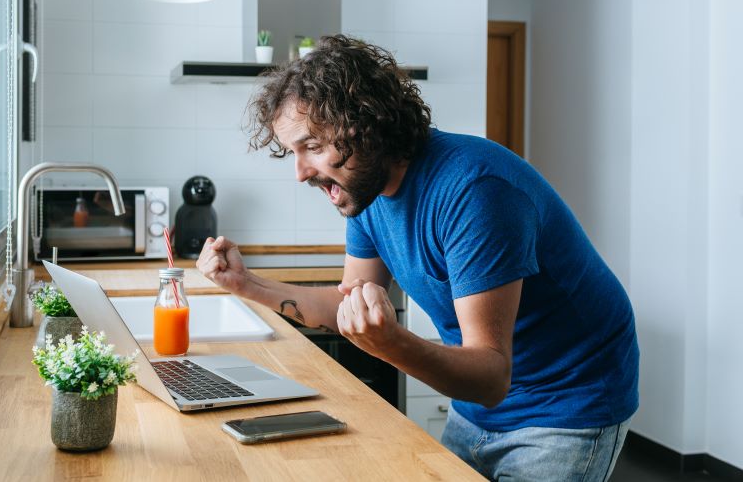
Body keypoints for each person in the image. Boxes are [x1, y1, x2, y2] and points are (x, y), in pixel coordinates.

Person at [196, 35, 638, 481]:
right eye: (293, 152)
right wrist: (247, 284)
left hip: (565, 402)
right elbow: (349, 301)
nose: (300, 172)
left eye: (311, 146)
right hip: (479, 405)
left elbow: (490, 376)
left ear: (363, 125)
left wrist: (391, 342)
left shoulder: (475, 191)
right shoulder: (364, 190)